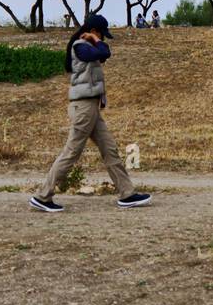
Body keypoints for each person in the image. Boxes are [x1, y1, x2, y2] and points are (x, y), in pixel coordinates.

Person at [29, 13, 151, 214]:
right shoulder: (80, 46)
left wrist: (95, 40)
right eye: (101, 34)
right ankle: (42, 196)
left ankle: (127, 194)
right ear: (93, 31)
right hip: (83, 108)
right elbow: (102, 53)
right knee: (71, 152)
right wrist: (94, 39)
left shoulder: (88, 46)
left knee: (109, 149)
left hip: (92, 108)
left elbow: (104, 53)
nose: (102, 38)